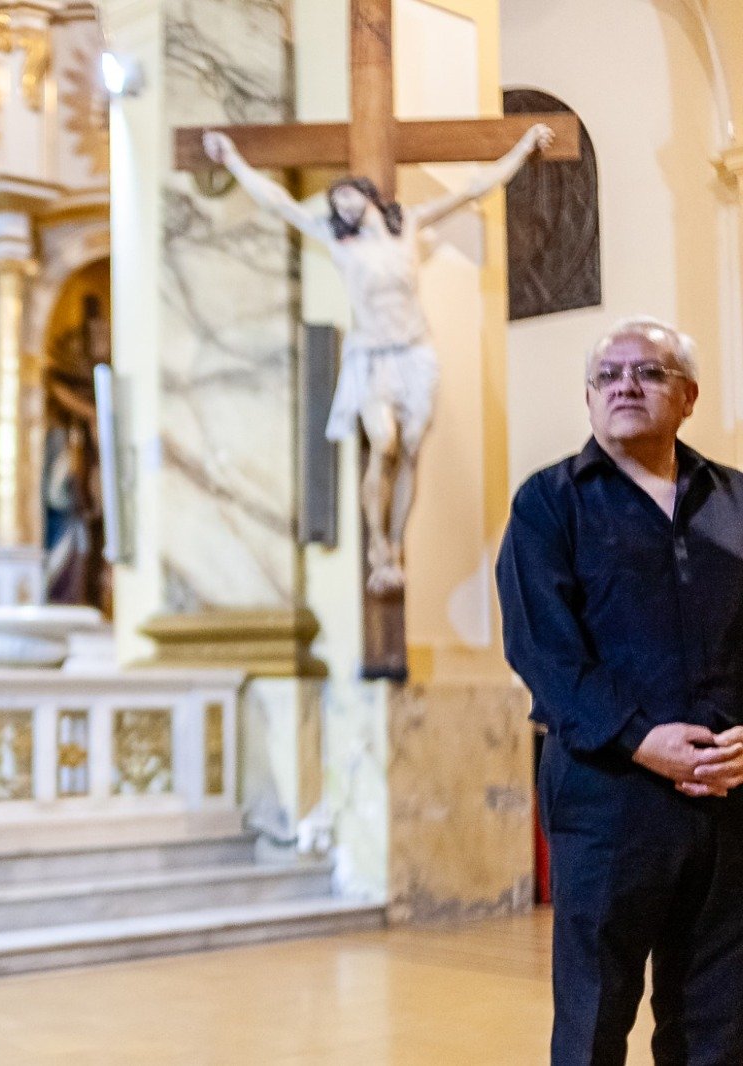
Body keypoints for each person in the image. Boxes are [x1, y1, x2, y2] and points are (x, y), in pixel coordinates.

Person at [497, 316, 743, 1064]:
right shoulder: (548, 503)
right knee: (594, 1018)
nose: (625, 386)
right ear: (588, 397)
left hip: (728, 796)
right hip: (607, 797)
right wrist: (642, 739)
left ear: (689, 396)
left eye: (648, 371)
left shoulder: (736, 500)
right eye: (608, 375)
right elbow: (543, 649)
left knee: (720, 1019)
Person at [205, 124, 555, 594]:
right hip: (370, 356)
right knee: (383, 441)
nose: (341, 205)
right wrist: (233, 159)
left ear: (366, 193)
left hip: (415, 352)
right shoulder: (336, 238)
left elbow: (474, 188)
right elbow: (278, 203)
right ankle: (377, 543)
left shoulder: (407, 225)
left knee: (410, 448)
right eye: (336, 201)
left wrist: (523, 146)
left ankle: (395, 543)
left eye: (347, 195)